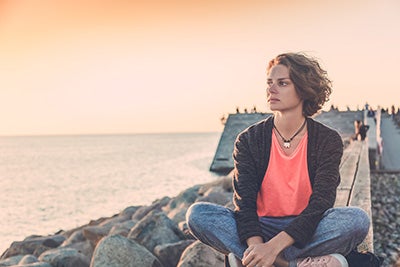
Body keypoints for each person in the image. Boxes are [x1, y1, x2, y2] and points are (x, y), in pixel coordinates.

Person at [186, 52, 370, 267]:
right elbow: (245, 205)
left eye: (282, 83)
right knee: (198, 214)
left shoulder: (327, 140)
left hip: (307, 227)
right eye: (269, 83)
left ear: (303, 89)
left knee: (356, 220)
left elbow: (321, 203)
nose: (271, 89)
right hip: (261, 227)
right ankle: (292, 263)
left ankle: (253, 259)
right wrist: (257, 246)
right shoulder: (249, 140)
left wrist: (271, 248)